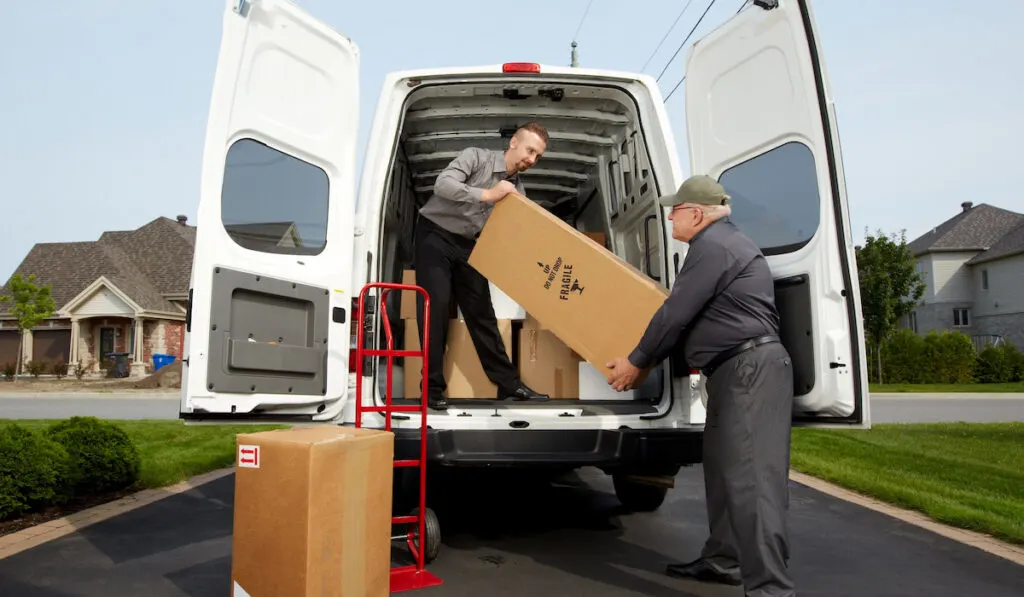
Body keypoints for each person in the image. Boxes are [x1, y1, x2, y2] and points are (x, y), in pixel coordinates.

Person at [605, 175, 796, 597]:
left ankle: (771, 590)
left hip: (750, 372)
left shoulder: (715, 246)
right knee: (726, 475)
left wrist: (637, 363)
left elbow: (676, 313)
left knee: (752, 484)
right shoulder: (718, 245)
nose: (670, 216)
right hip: (735, 373)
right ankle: (723, 561)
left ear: (696, 213)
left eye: (675, 210)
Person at [413, 122, 552, 411]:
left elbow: (514, 234)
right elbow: (443, 184)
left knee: (482, 314)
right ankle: (432, 389)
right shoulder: (475, 157)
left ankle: (510, 384)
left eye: (537, 156)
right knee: (435, 308)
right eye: (529, 150)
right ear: (513, 142)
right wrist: (488, 195)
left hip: (469, 245)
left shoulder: (518, 192)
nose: (531, 159)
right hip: (435, 234)